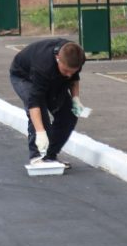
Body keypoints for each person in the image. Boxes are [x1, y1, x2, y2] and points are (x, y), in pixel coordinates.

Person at [9, 38, 88, 168]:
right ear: (58, 59)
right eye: (66, 71)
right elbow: (34, 104)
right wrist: (40, 132)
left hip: (52, 77)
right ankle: (37, 156)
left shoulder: (77, 57)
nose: (68, 75)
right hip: (24, 76)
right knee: (41, 116)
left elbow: (74, 78)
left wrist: (75, 99)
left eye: (72, 71)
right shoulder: (42, 66)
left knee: (68, 115)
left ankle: (50, 156)